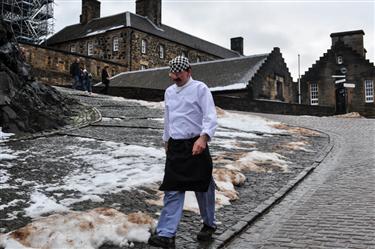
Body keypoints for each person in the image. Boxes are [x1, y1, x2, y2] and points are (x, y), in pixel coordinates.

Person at [148, 56, 218, 248]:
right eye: (173, 73)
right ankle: (166, 234)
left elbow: (210, 116)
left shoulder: (200, 89)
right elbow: (168, 118)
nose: (175, 77)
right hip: (176, 146)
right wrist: (166, 140)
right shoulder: (169, 92)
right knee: (172, 189)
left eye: (179, 73)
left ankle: (209, 224)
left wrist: (203, 138)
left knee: (203, 188)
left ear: (188, 71)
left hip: (196, 144)